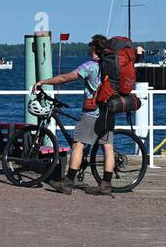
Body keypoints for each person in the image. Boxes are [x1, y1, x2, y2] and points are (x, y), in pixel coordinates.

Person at [36, 34, 116, 196]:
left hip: (92, 112)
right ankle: (106, 184)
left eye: (90, 46)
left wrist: (43, 81)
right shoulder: (111, 66)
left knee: (78, 145)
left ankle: (68, 182)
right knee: (107, 147)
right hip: (108, 110)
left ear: (94, 48)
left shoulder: (90, 66)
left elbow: (66, 78)